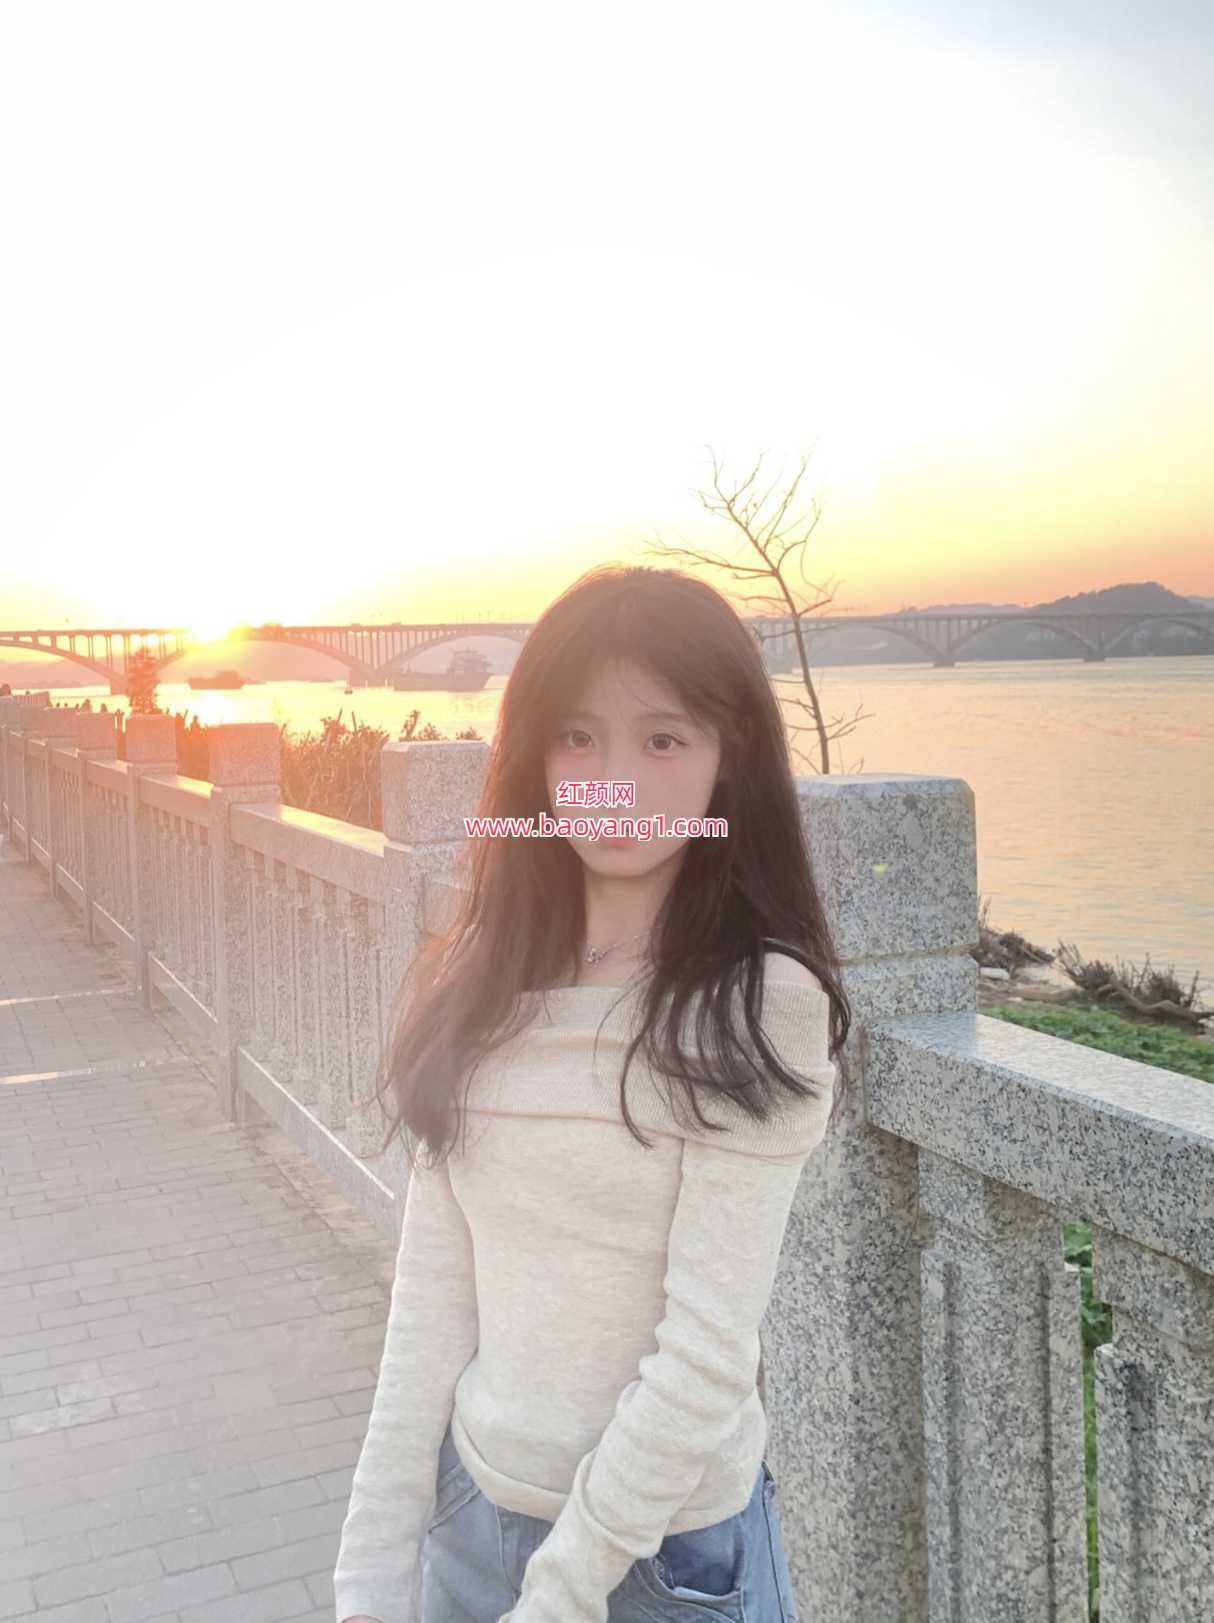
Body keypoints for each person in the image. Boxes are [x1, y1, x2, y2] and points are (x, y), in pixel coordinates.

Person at [334, 564, 851, 1623]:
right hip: (470, 1522)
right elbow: (428, 1311)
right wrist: (368, 1580)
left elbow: (704, 1362)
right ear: (533, 758)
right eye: (578, 738)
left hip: (662, 1563)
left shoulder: (757, 1006)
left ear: (726, 758)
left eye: (662, 740)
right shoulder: (475, 985)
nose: (614, 781)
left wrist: (558, 1594)